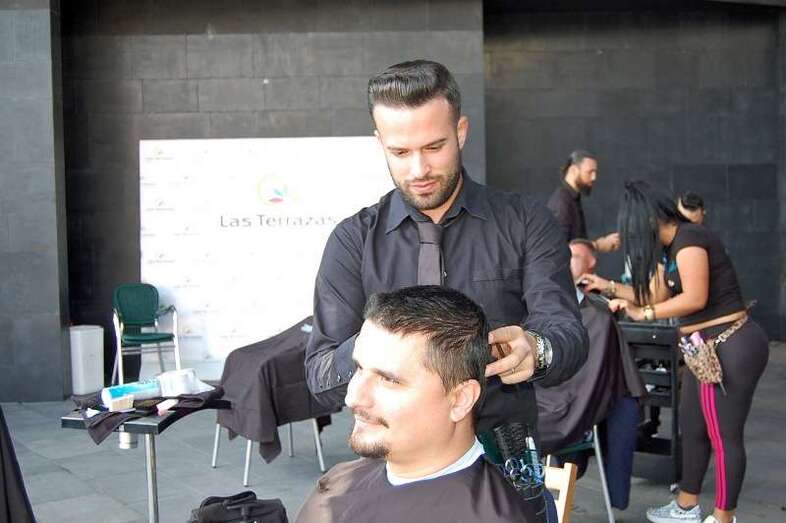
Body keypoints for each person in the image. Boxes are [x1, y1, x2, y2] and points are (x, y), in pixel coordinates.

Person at [305, 59, 587, 520]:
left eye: (434, 147)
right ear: (380, 143)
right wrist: (384, 350)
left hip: (505, 464)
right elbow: (319, 376)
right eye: (400, 152)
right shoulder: (352, 241)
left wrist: (536, 349)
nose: (418, 169)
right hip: (391, 471)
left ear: (461, 131)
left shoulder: (526, 222)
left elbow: (568, 335)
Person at [581, 181, 769, 523]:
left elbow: (694, 297)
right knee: (693, 427)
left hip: (728, 345)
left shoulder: (690, 239)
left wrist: (645, 314)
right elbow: (655, 295)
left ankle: (724, 517)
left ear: (650, 220)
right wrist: (607, 286)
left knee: (724, 436)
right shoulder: (670, 248)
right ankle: (685, 506)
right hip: (704, 348)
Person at [297, 286, 540, 522]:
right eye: (359, 368)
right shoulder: (338, 484)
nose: (353, 398)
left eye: (389, 380)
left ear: (460, 400)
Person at [537, 239, 645, 510]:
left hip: (572, 405)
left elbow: (591, 382)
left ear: (590, 264)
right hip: (544, 401)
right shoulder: (536, 311)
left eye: (573, 257)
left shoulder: (599, 316)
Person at [546, 150, 620, 251]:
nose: (594, 177)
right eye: (590, 172)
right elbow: (557, 248)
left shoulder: (571, 199)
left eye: (595, 172)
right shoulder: (562, 202)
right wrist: (597, 245)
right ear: (573, 170)